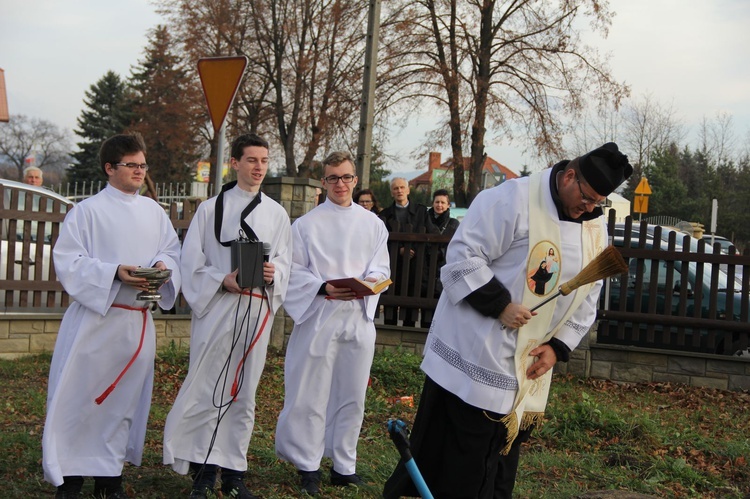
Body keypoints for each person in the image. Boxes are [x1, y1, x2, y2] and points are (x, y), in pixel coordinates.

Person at [383, 142, 633, 498]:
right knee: (459, 462)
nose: (588, 208)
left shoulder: (593, 227)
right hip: (477, 354)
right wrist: (500, 304)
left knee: (499, 462)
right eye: (586, 197)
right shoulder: (512, 200)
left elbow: (588, 292)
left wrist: (557, 347)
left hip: (525, 366)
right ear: (569, 175)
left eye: (597, 203)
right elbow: (461, 258)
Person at [42, 132, 182, 499]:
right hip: (95, 320)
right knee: (80, 399)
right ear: (109, 168)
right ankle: (70, 478)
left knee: (122, 404)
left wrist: (162, 266)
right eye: (131, 165)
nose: (140, 171)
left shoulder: (154, 211)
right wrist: (113, 272)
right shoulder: (87, 211)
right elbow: (68, 261)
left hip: (136, 320)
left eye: (142, 165)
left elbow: (172, 250)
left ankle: (109, 478)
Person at [162, 134, 292, 499]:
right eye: (252, 160)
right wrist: (223, 280)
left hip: (254, 313)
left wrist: (274, 275)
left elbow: (285, 262)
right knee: (208, 387)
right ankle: (203, 471)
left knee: (245, 390)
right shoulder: (209, 210)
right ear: (234, 163)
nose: (259, 167)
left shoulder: (277, 214)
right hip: (218, 310)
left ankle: (235, 471)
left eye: (264, 160)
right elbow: (191, 265)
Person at [275, 151, 390, 495]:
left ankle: (344, 464)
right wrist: (323, 287)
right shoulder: (306, 225)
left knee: (351, 394)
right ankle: (308, 465)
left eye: (346, 177)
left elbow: (381, 269)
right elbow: (293, 272)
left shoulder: (373, 224)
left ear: (355, 180)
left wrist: (368, 284)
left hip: (357, 317)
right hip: (319, 318)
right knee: (311, 394)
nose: (340, 184)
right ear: (323, 181)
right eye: (333, 178)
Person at [379, 177, 428, 327]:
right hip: (393, 266)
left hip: (416, 266)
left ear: (408, 190)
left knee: (411, 304)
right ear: (392, 193)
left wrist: (412, 249)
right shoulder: (386, 214)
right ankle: (389, 329)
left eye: (402, 187)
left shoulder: (421, 211)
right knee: (390, 307)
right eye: (395, 188)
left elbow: (431, 235)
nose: (399, 191)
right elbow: (381, 241)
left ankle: (409, 326)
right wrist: (399, 249)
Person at [422, 189, 460, 328]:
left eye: (443, 202)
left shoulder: (453, 223)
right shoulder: (425, 220)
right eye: (437, 202)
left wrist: (441, 253)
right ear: (432, 203)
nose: (439, 205)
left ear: (448, 205)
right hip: (424, 265)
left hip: (444, 266)